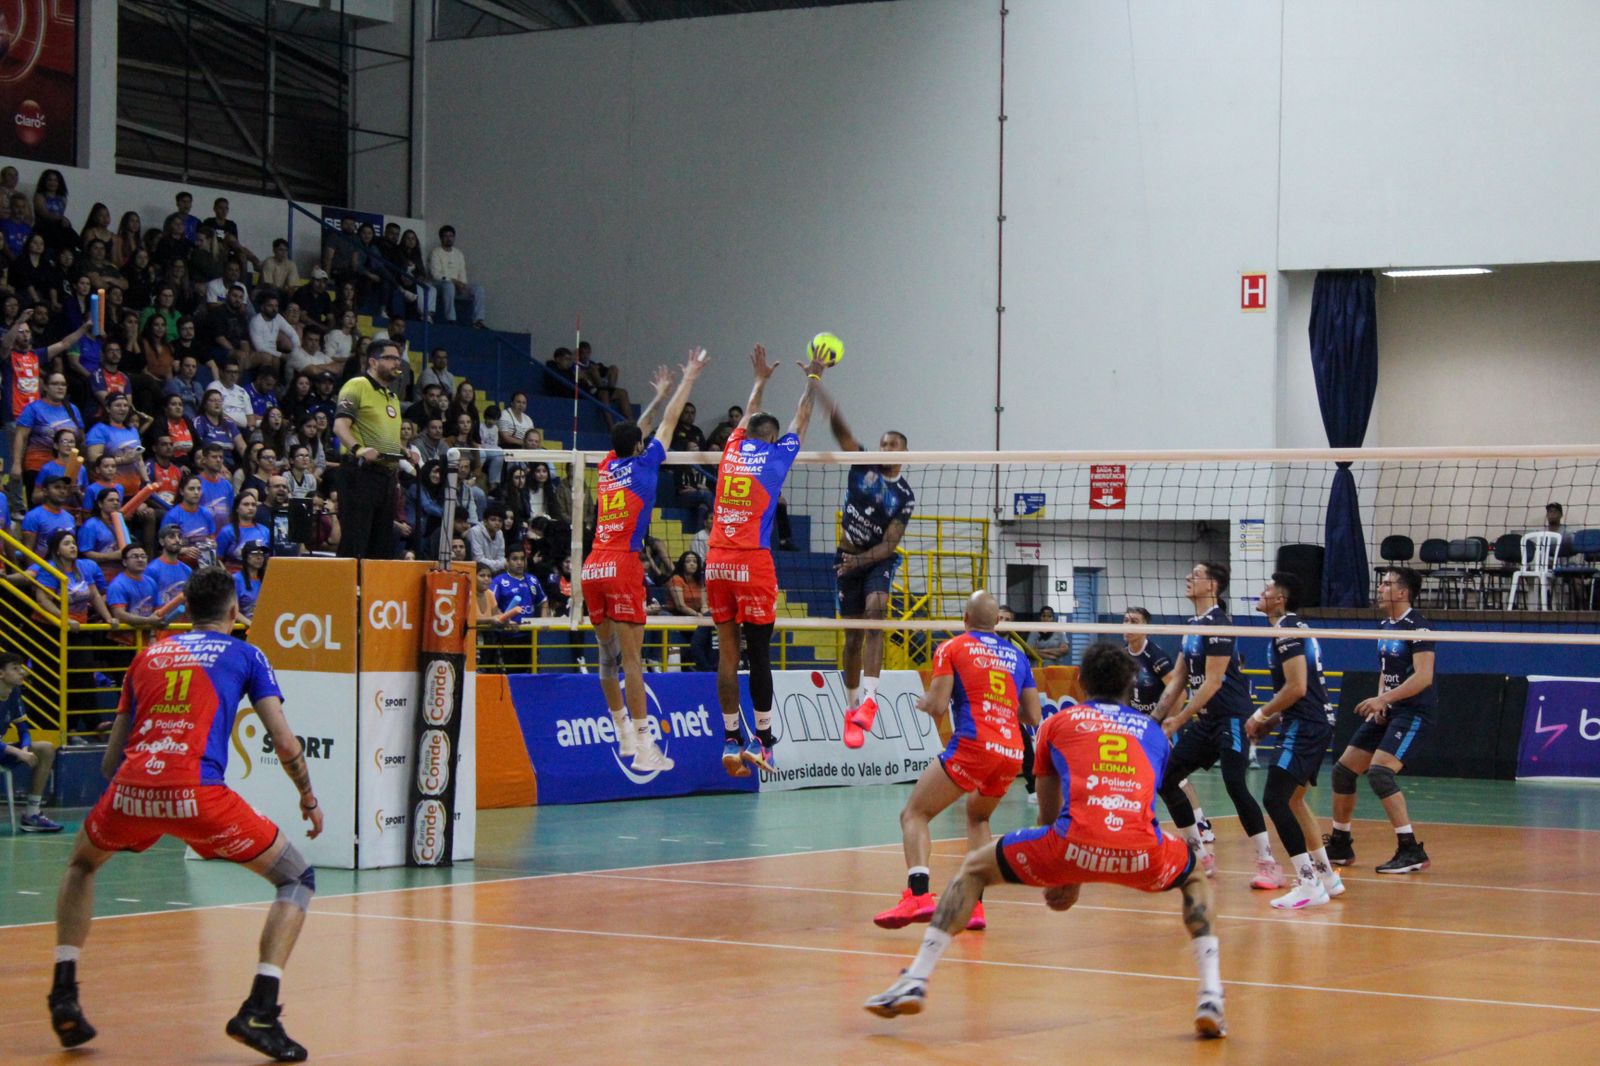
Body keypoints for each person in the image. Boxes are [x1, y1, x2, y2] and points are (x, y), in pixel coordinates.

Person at [864, 640, 1226, 1040]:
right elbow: (1136, 805)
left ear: (1082, 683)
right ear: (1131, 685)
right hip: (1141, 849)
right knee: (1194, 877)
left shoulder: (1057, 724)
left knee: (973, 868)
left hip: (1071, 843)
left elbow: (1049, 815)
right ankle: (1211, 993)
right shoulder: (1155, 737)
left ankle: (916, 978)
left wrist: (1065, 877)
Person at [47, 567, 323, 1060]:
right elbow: (284, 742)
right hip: (197, 790)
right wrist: (308, 796)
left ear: (186, 611)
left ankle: (64, 989)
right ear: (235, 612)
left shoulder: (147, 655)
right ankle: (260, 1010)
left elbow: (112, 762)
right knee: (296, 877)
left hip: (132, 787)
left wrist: (143, 804)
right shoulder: (246, 653)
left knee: (82, 864)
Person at [872, 591, 1041, 932]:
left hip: (973, 745)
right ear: (997, 622)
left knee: (914, 813)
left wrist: (922, 702)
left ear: (964, 619)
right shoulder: (1018, 656)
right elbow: (1033, 715)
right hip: (1011, 752)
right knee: (978, 819)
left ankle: (918, 894)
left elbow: (937, 706)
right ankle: (973, 906)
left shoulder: (952, 647)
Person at [707, 344, 827, 775]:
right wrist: (813, 378)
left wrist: (760, 380)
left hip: (716, 561)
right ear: (773, 438)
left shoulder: (732, 449)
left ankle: (728, 739)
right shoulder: (778, 456)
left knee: (726, 652)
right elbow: (804, 417)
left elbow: (749, 415)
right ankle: (764, 741)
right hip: (751, 563)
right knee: (758, 653)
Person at [584, 354, 704, 770]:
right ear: (639, 447)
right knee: (632, 661)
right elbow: (667, 423)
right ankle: (645, 744)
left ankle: (623, 736)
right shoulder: (645, 465)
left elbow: (643, 428)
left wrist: (656, 397)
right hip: (621, 565)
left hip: (592, 566)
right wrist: (684, 381)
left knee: (605, 657)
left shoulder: (607, 466)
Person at [1154, 562, 1282, 888]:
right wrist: (1154, 720)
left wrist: (1181, 718)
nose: (1188, 578)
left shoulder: (1220, 624)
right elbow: (1179, 680)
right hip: (1206, 721)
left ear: (1213, 586)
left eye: (1195, 575)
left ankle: (1268, 862)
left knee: (1235, 784)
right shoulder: (1192, 625)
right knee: (1166, 779)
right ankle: (1199, 856)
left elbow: (1212, 683)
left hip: (1232, 718)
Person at [818, 389, 915, 747]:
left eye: (892, 445)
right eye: (882, 443)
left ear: (905, 453)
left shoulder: (904, 495)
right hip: (846, 557)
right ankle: (852, 707)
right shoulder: (862, 463)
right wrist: (827, 398)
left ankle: (871, 701)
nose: (886, 448)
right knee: (853, 637)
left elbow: (890, 544)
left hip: (876, 559)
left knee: (877, 613)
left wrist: (861, 560)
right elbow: (843, 434)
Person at [1325, 567, 1435, 875]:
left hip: (1414, 712)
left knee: (1380, 774)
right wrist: (1380, 701)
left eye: (1387, 584)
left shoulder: (1419, 627)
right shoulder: (1386, 624)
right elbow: (1387, 672)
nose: (1380, 588)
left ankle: (1411, 849)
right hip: (1389, 710)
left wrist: (1385, 699)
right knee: (1343, 772)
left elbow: (1424, 677)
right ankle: (1341, 843)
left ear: (1402, 593)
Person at [1246, 572, 1346, 908]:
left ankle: (1308, 883)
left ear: (1280, 599)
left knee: (1274, 799)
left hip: (1305, 726)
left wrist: (1260, 715)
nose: (1262, 592)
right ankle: (1327, 876)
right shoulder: (1289, 629)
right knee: (1293, 800)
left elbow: (1297, 687)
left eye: (1269, 589)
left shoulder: (1287, 630)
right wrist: (1274, 720)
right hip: (1311, 722)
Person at [1124, 606, 1214, 843]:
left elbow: (1180, 693)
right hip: (1137, 727)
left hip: (1159, 727)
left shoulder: (1156, 657)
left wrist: (1165, 726)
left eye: (1134, 621)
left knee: (1175, 775)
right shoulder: (1124, 656)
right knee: (1137, 774)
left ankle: (1202, 823)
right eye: (1125, 620)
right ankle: (1137, 822)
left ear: (1146, 628)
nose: (1128, 625)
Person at [332, 338, 405, 560]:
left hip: (386, 477)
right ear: (373, 361)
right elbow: (339, 425)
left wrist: (404, 450)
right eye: (390, 358)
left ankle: (373, 592)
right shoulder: (357, 385)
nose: (396, 363)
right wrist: (358, 449)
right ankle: (347, 591)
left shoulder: (392, 397)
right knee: (356, 540)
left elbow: (384, 436)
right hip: (361, 473)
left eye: (398, 358)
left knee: (382, 543)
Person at [0, 652, 63, 832]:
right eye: (15, 669)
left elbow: (23, 729)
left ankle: (32, 813)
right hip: (5, 749)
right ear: (1, 673)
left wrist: (26, 747)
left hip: (2, 751)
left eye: (21, 668)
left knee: (46, 749)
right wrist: (18, 752)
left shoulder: (14, 693)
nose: (22, 673)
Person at [485, 545, 549, 672]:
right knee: (512, 674)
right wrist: (506, 620)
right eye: (514, 559)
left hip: (531, 636)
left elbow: (544, 601)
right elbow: (492, 606)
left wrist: (544, 620)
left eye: (522, 559)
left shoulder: (532, 579)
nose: (519, 563)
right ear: (507, 561)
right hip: (508, 637)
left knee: (532, 674)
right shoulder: (499, 581)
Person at [429, 224, 486, 327]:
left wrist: (462, 285)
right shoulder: (436, 252)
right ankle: (451, 320)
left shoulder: (459, 254)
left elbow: (462, 274)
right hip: (441, 285)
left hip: (457, 287)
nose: (449, 239)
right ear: (441, 238)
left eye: (451, 236)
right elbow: (436, 275)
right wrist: (454, 281)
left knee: (478, 289)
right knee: (448, 286)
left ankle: (478, 321)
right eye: (446, 236)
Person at [666, 550, 714, 671]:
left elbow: (704, 604)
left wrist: (704, 612)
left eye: (694, 562)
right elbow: (680, 606)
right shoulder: (676, 579)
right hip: (678, 617)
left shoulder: (700, 581)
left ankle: (706, 666)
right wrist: (697, 614)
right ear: (682, 564)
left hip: (697, 619)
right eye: (688, 561)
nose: (692, 564)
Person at [234, 542, 269, 621]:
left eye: (262, 554)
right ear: (246, 556)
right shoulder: (236, 580)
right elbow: (233, 611)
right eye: (255, 554)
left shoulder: (267, 579)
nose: (259, 557)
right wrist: (251, 625)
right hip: (244, 628)